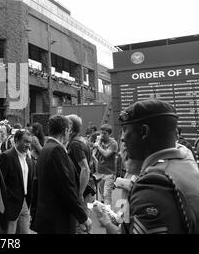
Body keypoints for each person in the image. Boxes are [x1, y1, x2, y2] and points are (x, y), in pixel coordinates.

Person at [94, 99, 199, 234]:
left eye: (125, 130)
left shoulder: (153, 184)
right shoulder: (186, 164)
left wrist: (106, 222)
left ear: (144, 131)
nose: (122, 139)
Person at [34, 115, 91, 234]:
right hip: (57, 220)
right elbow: (65, 187)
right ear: (66, 131)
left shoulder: (46, 148)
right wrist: (83, 217)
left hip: (48, 218)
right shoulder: (56, 150)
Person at [0, 129, 33, 234]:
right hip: (11, 204)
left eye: (30, 142)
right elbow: (0, 182)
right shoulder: (6, 156)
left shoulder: (28, 159)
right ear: (16, 140)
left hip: (25, 203)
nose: (28, 145)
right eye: (25, 141)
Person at [93, 123, 118, 205]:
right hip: (100, 172)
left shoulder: (113, 143)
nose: (102, 135)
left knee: (107, 194)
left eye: (105, 133)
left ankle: (108, 215)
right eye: (101, 133)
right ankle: (105, 211)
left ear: (109, 134)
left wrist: (98, 146)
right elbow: (93, 154)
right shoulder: (100, 141)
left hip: (109, 173)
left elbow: (106, 154)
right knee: (102, 195)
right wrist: (97, 143)